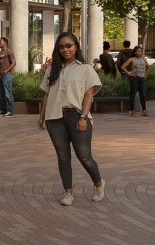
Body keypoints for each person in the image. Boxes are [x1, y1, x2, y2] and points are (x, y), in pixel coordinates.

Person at [37, 32, 104, 207]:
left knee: (84, 156)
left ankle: (98, 183)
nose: (65, 49)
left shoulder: (86, 69)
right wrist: (42, 116)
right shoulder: (52, 69)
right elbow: (46, 94)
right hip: (55, 118)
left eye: (69, 46)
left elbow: (89, 96)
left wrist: (83, 117)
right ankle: (68, 193)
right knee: (63, 156)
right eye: (61, 46)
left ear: (76, 47)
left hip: (77, 116)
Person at [125, 45, 149, 117]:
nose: (140, 53)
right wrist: (129, 73)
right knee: (133, 95)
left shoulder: (143, 59)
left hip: (141, 78)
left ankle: (144, 111)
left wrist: (145, 75)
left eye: (141, 51)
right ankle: (132, 111)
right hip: (134, 78)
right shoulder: (132, 59)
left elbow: (148, 67)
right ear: (135, 52)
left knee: (143, 95)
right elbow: (123, 66)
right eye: (138, 51)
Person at [0, 37, 17, 117]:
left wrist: (6, 71)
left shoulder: (9, 51)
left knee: (8, 93)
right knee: (1, 94)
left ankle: (10, 111)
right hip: (0, 75)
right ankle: (3, 110)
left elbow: (14, 63)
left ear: (5, 43)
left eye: (0, 42)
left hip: (6, 75)